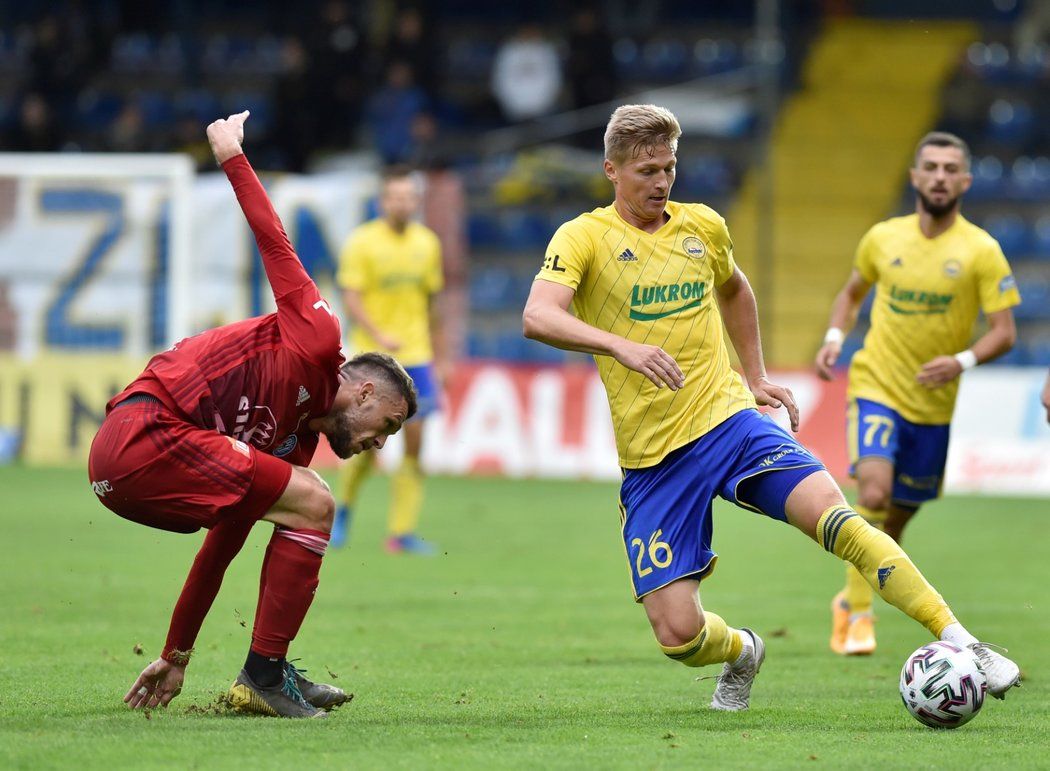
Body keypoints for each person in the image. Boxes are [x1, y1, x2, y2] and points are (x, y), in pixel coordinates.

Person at [522, 104, 1021, 711]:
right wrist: (620, 346)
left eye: (670, 168)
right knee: (679, 636)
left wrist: (754, 375)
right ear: (612, 170)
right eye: (647, 170)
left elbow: (735, 290)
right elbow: (538, 315)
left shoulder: (702, 227)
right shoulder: (584, 237)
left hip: (729, 422)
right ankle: (743, 652)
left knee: (843, 522)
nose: (661, 183)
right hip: (654, 460)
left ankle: (968, 644)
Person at [87, 111, 417, 719]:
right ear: (365, 394)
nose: (380, 443)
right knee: (318, 500)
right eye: (387, 426)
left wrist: (176, 653)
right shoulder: (318, 340)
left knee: (304, 503)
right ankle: (265, 674)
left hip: (135, 467)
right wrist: (231, 156)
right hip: (142, 431)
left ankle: (265, 672)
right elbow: (275, 243)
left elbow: (221, 548)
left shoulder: (288, 447)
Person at [815, 132, 1020, 656]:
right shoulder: (883, 237)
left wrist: (962, 360)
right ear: (915, 176)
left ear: (965, 181)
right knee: (875, 494)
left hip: (933, 406)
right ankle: (857, 616)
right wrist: (835, 338)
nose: (940, 177)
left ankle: (856, 592)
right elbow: (851, 293)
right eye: (930, 167)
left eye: (951, 169)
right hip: (876, 384)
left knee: (894, 523)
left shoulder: (981, 251)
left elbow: (1004, 332)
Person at [333, 167, 446, 554]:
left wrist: (439, 352)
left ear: (416, 202)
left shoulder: (427, 244)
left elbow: (432, 302)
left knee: (415, 447)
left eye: (408, 197)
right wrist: (379, 335)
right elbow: (351, 295)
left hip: (417, 356)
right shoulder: (362, 242)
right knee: (364, 443)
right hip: (373, 359)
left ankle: (401, 533)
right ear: (383, 201)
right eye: (394, 196)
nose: (401, 203)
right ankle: (342, 511)